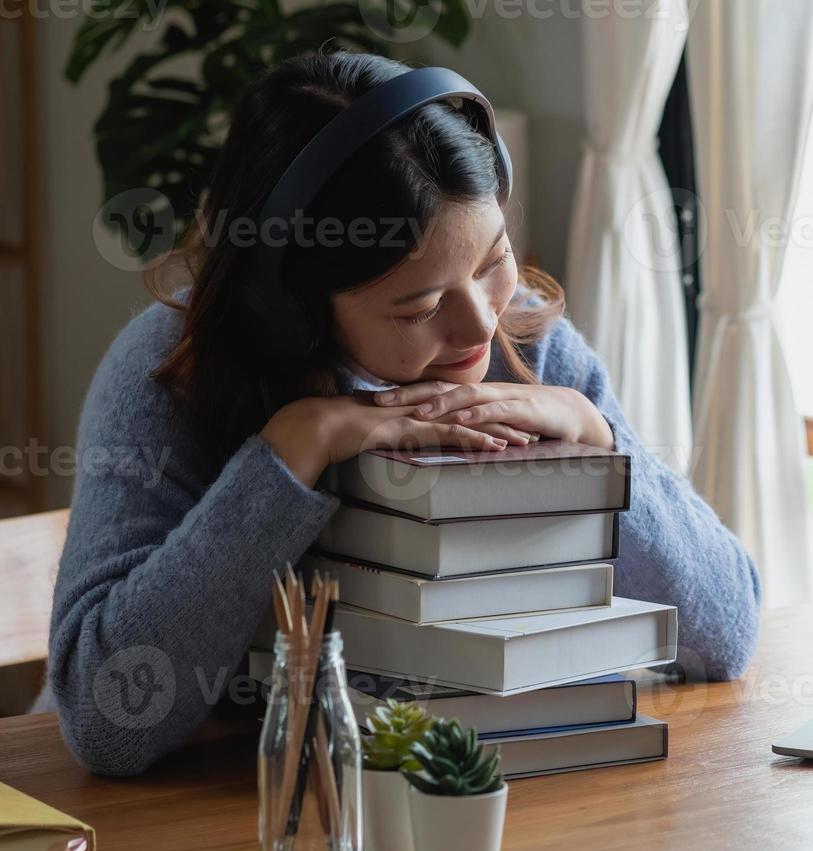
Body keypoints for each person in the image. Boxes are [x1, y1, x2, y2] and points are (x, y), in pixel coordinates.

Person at [43, 52, 760, 777]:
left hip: (461, 793)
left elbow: (725, 634)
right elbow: (105, 723)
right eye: (418, 307)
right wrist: (292, 451)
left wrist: (601, 441)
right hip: (206, 819)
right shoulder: (169, 371)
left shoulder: (527, 344)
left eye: (493, 261)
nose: (480, 324)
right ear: (293, 315)